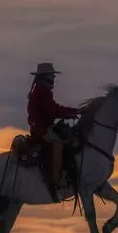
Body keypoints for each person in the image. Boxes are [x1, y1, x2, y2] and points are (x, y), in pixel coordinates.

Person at [27, 62, 81, 193]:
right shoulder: (41, 90)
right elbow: (53, 109)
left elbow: (53, 108)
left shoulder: (41, 89)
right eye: (52, 76)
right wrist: (74, 112)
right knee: (58, 144)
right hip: (41, 129)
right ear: (46, 77)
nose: (54, 78)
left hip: (44, 127)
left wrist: (73, 112)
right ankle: (56, 180)